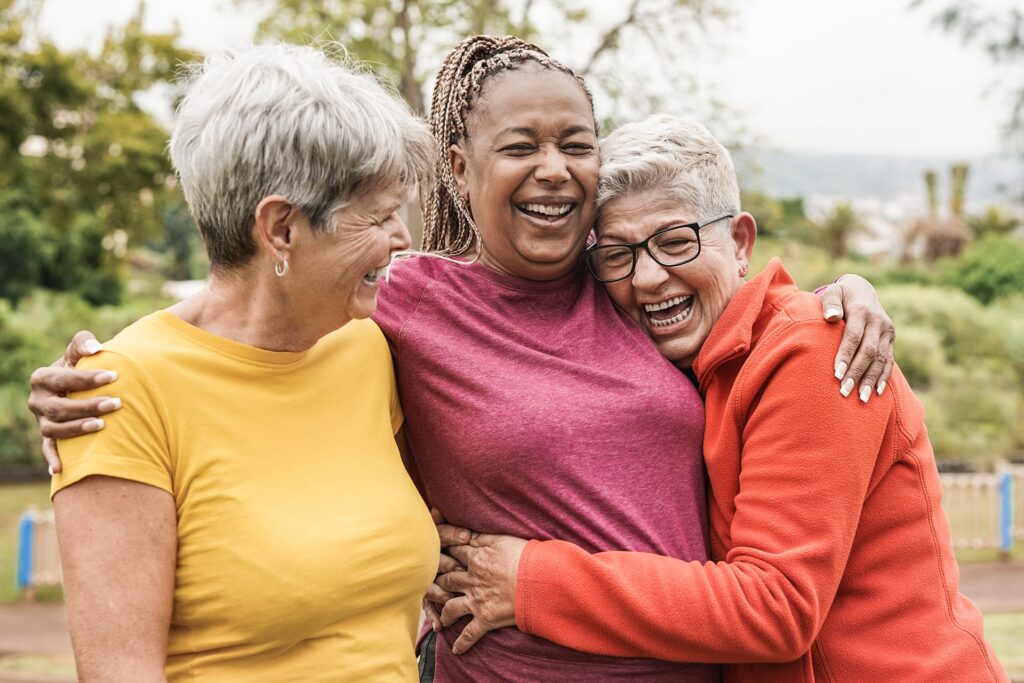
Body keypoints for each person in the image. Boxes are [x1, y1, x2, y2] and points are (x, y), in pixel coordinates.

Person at [29, 37, 897, 682]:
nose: (554, 170)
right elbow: (247, 315)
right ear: (459, 165)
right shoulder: (399, 305)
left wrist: (844, 294)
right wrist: (102, 373)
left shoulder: (627, 282)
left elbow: (723, 290)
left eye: (576, 144)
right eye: (520, 146)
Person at [424, 115, 1010, 682]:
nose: (648, 277)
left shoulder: (812, 351)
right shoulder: (683, 363)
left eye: (675, 242)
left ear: (739, 241)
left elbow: (776, 607)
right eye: (619, 255)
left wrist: (531, 581)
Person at [43, 44, 439, 682]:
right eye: (381, 216)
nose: (402, 240)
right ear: (281, 229)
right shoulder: (120, 396)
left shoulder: (367, 345)